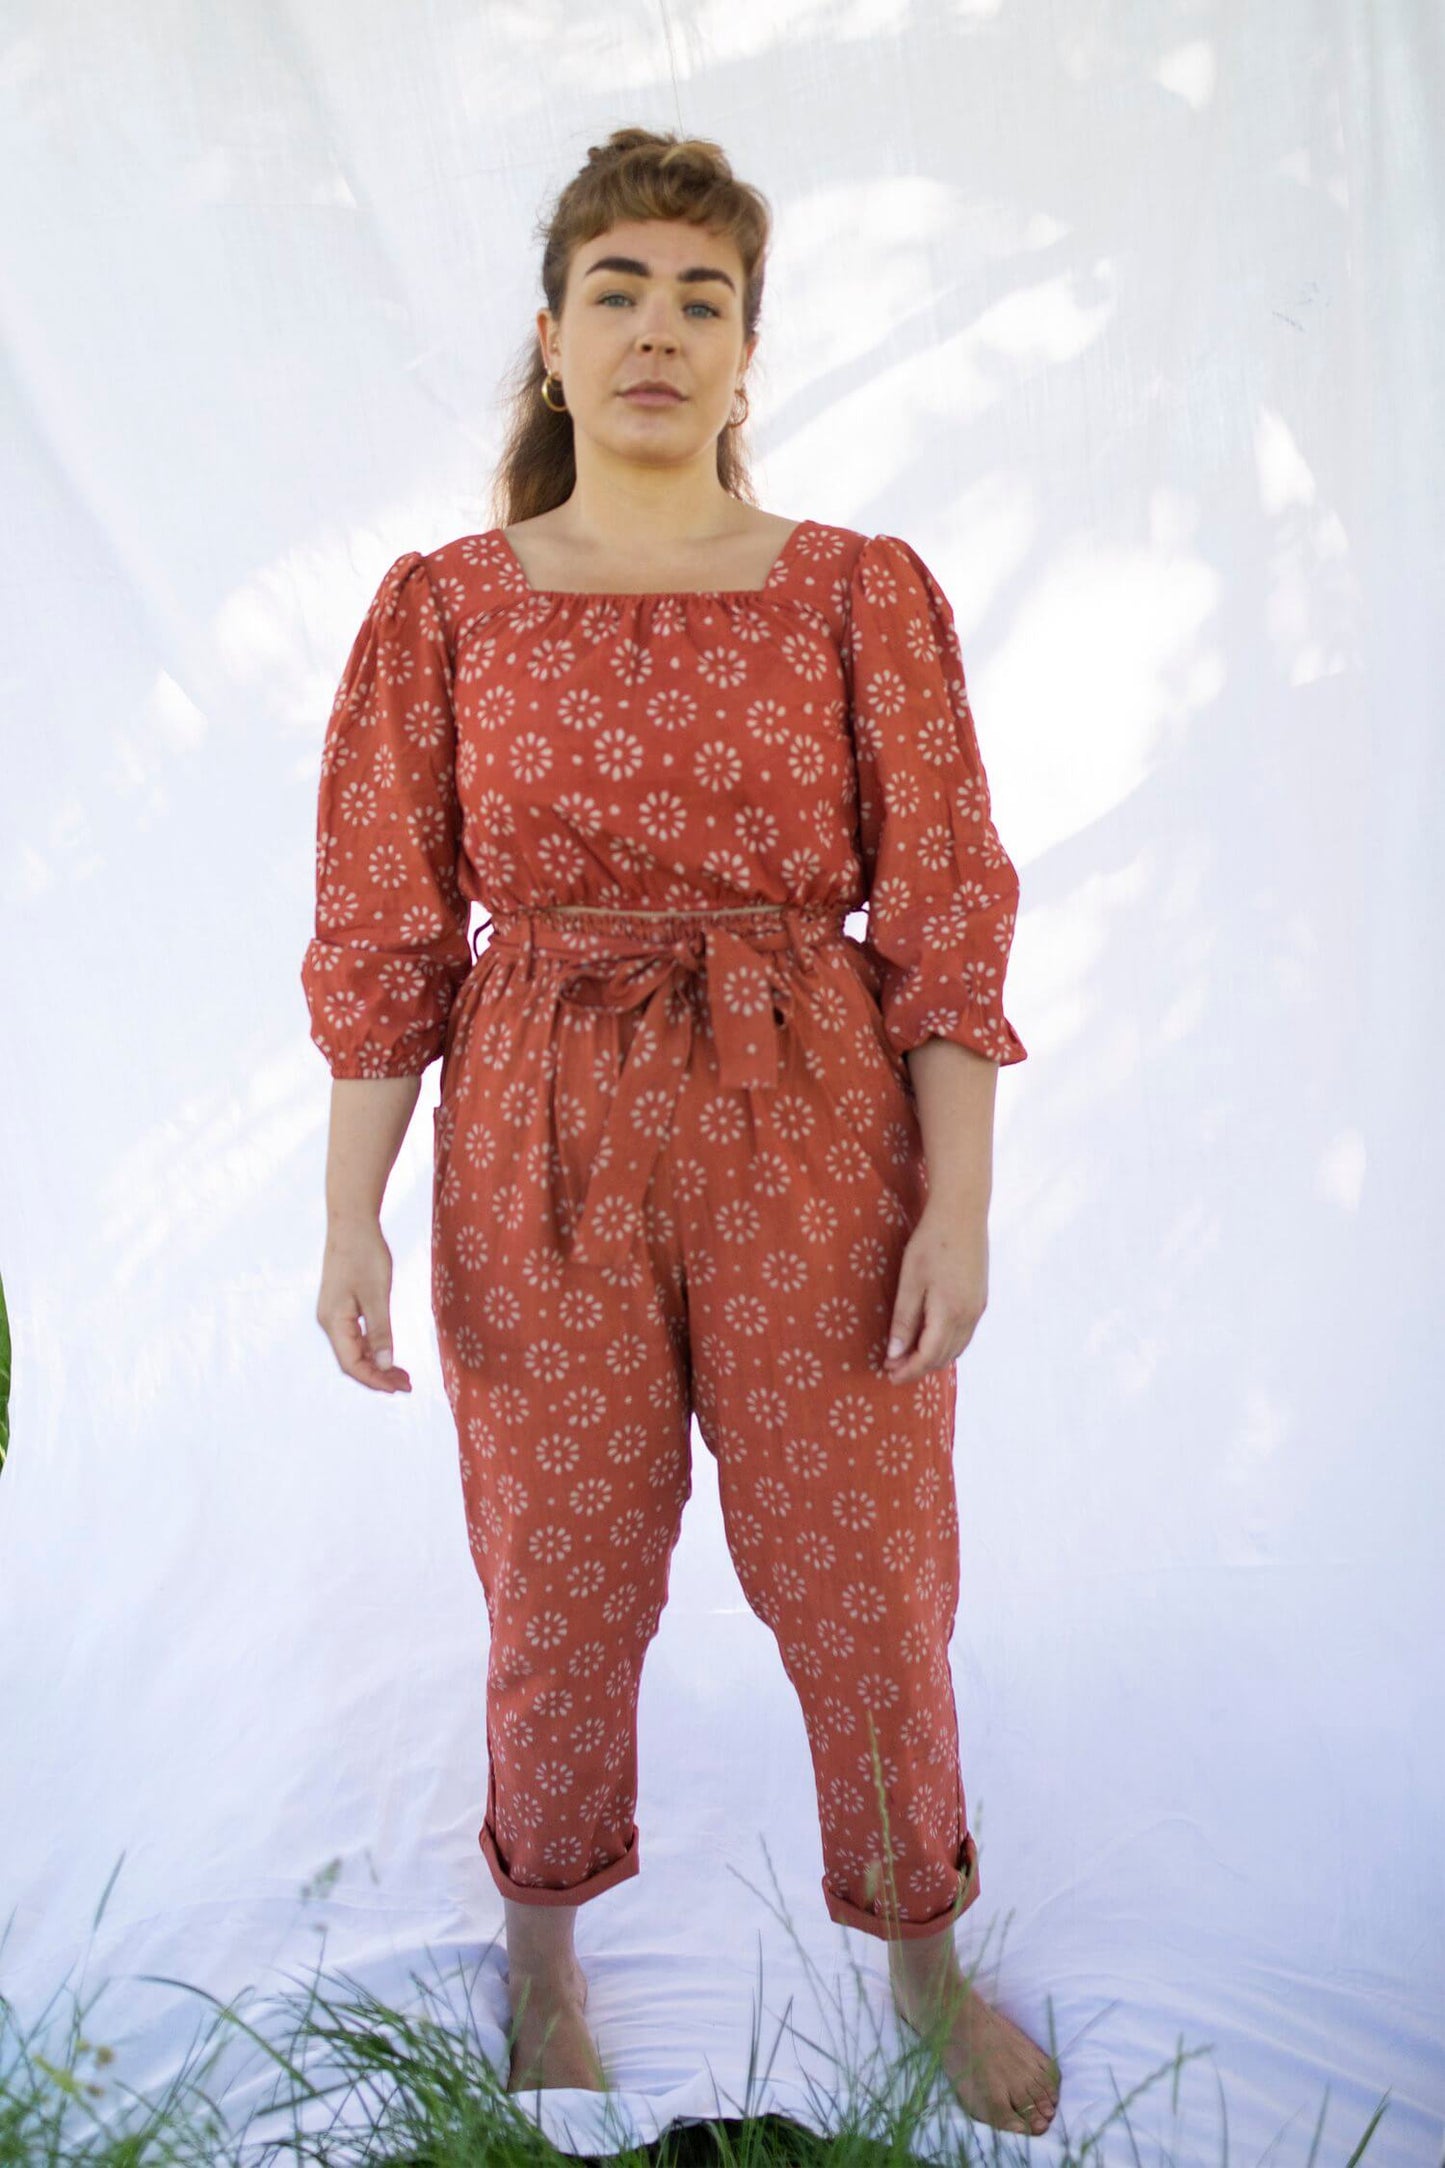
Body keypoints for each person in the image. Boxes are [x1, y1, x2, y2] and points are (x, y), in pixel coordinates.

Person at [301, 126, 1059, 2135]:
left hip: (815, 1132)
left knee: (869, 1576)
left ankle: (920, 1956)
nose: (657, 329)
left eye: (700, 299)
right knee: (556, 1579)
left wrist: (960, 1208)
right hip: (535, 1144)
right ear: (552, 343)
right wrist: (350, 1217)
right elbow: (384, 930)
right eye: (617, 292)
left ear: (745, 354)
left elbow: (948, 912)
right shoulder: (445, 609)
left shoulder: (858, 593)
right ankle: (542, 1946)